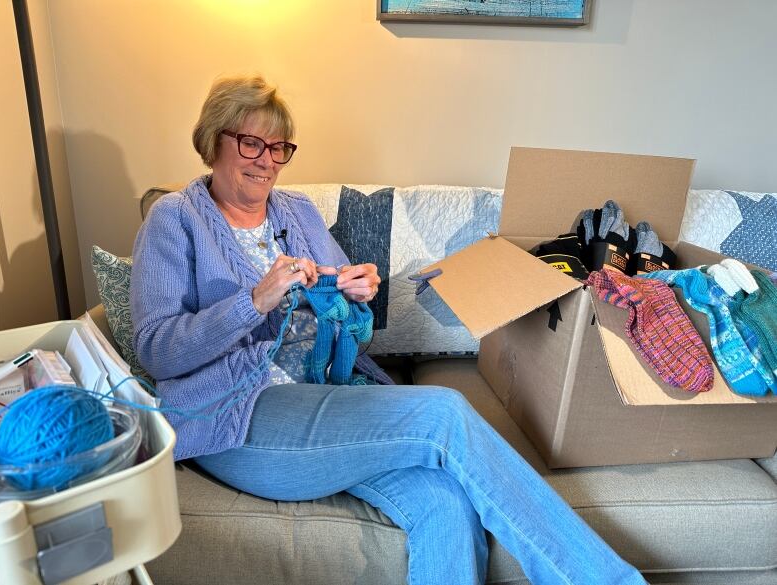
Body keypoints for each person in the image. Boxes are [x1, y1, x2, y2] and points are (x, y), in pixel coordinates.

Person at [130, 74, 646, 585]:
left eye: (279, 147)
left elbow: (345, 310)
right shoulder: (174, 219)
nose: (267, 160)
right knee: (441, 413)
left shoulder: (298, 212)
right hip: (239, 418)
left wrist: (358, 290)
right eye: (250, 143)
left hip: (329, 396)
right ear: (212, 139)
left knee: (445, 504)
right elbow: (156, 351)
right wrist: (253, 301)